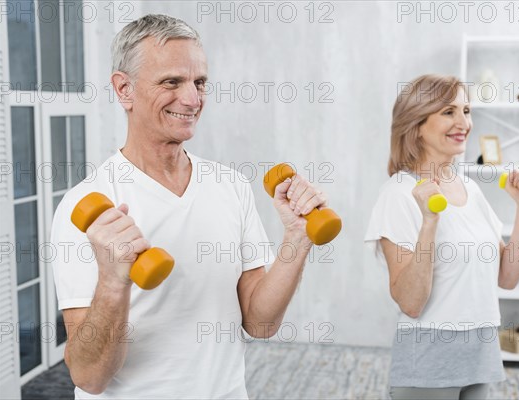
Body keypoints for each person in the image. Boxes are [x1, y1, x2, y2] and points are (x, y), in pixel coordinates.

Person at [50, 14, 328, 399]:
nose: (193, 99)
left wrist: (297, 239)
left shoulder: (230, 186)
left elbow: (260, 324)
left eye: (200, 83)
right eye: (172, 82)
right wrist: (113, 281)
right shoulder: (85, 207)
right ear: (124, 89)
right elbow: (89, 376)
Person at [364, 74, 519, 400]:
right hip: (429, 358)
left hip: (480, 352)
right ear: (416, 125)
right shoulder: (399, 194)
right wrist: (430, 220)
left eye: (467, 110)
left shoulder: (470, 188)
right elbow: (411, 303)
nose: (464, 122)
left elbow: (507, 277)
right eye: (448, 112)